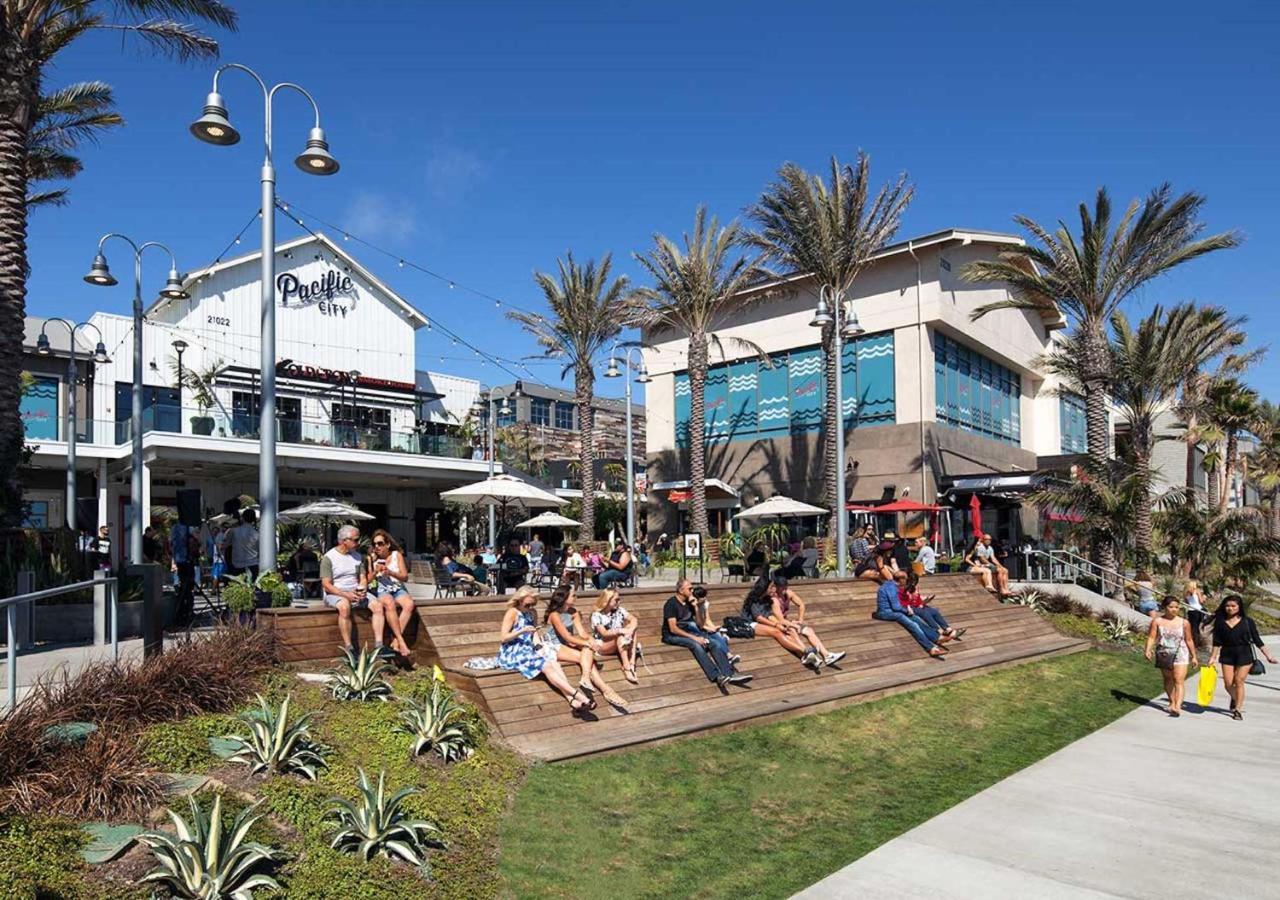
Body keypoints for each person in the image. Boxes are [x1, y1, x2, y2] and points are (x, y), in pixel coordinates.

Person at [497, 587, 593, 713]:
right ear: (519, 601)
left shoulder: (532, 613)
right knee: (547, 666)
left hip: (529, 648)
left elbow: (535, 633)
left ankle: (571, 699)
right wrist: (521, 631)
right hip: (513, 650)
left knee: (553, 661)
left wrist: (539, 647)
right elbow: (504, 638)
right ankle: (578, 695)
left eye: (533, 604)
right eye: (527, 604)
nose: (530, 607)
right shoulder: (512, 612)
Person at [543, 585, 628, 709]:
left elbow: (582, 633)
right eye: (573, 595)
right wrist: (587, 643)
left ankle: (586, 679)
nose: (576, 597)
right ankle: (606, 690)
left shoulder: (574, 612)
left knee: (587, 652)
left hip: (567, 644)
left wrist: (591, 640)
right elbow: (567, 637)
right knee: (587, 659)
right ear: (564, 597)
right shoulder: (554, 615)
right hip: (553, 645)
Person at [663, 578, 752, 689]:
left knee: (715, 643)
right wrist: (695, 638)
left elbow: (700, 625)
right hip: (672, 636)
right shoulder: (671, 604)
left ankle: (730, 674)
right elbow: (673, 629)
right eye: (689, 589)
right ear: (681, 590)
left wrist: (696, 607)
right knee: (696, 645)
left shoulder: (690, 603)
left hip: (688, 632)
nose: (692, 591)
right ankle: (717, 676)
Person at [1208, 595, 1277, 720]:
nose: (1230, 608)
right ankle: (1235, 698)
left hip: (1244, 654)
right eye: (1228, 606)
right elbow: (1217, 641)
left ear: (1239, 607)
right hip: (1227, 654)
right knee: (1228, 684)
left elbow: (1257, 640)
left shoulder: (1247, 621)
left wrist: (1268, 656)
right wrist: (1213, 657)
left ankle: (1238, 709)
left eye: (1233, 606)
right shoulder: (1220, 622)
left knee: (1239, 681)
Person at [322, 525, 377, 654]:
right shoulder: (329, 558)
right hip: (335, 593)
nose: (358, 543)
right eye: (355, 540)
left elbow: (362, 577)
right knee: (344, 607)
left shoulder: (357, 556)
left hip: (355, 592)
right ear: (343, 540)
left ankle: (379, 644)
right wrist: (345, 595)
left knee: (378, 605)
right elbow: (327, 584)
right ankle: (349, 647)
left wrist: (362, 588)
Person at [771, 574, 846, 667]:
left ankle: (827, 656)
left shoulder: (789, 593)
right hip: (777, 624)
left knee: (809, 630)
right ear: (776, 587)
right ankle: (808, 655)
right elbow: (781, 620)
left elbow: (801, 604)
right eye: (782, 588)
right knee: (792, 631)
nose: (784, 590)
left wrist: (800, 620)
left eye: (785, 587)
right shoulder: (774, 600)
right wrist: (793, 625)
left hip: (788, 623)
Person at [741, 574, 814, 667]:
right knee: (777, 632)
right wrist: (776, 625)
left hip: (762, 622)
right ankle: (804, 651)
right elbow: (759, 618)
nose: (774, 589)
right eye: (771, 587)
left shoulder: (767, 599)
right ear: (764, 588)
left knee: (789, 630)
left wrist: (782, 624)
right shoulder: (754, 599)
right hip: (749, 624)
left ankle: (805, 655)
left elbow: (769, 615)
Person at [874, 570, 949, 658]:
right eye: (906, 579)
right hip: (885, 612)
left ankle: (937, 638)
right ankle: (931, 648)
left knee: (915, 618)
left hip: (892, 611)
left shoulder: (892, 585)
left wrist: (909, 611)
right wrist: (907, 611)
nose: (907, 581)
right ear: (901, 580)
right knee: (913, 625)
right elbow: (896, 607)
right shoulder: (891, 588)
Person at [1143, 596, 1198, 717]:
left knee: (1179, 680)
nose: (1174, 609)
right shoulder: (1157, 621)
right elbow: (1152, 637)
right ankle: (1172, 701)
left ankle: (1177, 707)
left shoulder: (1184, 623)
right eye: (1171, 607)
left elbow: (1189, 640)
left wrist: (1194, 656)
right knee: (1168, 679)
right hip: (1164, 652)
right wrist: (1148, 649)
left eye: (1177, 607)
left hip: (1181, 653)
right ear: (1164, 607)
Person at [367, 529, 415, 658]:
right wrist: (375, 571)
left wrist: (391, 573)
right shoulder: (372, 559)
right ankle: (401, 640)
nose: (377, 547)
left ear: (387, 544)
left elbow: (405, 577)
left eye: (380, 543)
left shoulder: (396, 555)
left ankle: (395, 641)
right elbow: (367, 581)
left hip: (397, 587)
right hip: (382, 589)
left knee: (409, 604)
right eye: (375, 544)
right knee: (389, 603)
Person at [592, 587, 641, 684]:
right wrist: (621, 630)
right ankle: (626, 668)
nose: (619, 602)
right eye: (616, 600)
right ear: (607, 600)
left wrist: (630, 630)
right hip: (602, 645)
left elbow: (634, 619)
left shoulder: (620, 610)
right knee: (620, 635)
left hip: (620, 642)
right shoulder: (597, 615)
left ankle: (632, 663)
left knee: (632, 629)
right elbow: (604, 633)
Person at [900, 573, 966, 641]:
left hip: (917, 606)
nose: (914, 583)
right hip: (910, 607)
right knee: (925, 613)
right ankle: (938, 630)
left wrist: (923, 602)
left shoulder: (915, 588)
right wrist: (913, 605)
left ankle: (948, 629)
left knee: (934, 611)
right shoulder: (904, 589)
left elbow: (918, 598)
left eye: (915, 581)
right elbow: (905, 601)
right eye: (912, 581)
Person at [170, 519, 197, 627]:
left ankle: (182, 611)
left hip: (180, 560)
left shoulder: (174, 528)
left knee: (182, 586)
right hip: (186, 560)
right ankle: (187, 611)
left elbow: (172, 544)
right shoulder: (187, 528)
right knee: (188, 587)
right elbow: (194, 540)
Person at [228, 510, 260, 580]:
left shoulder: (233, 531)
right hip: (253, 564)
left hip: (237, 564)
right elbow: (259, 550)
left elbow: (226, 545)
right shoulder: (257, 534)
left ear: (243, 518)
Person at [1184, 580, 1207, 644]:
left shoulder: (1186, 593)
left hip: (1190, 610)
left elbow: (1187, 602)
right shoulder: (1197, 591)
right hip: (1197, 609)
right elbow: (1201, 601)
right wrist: (1204, 598)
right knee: (1196, 626)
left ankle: (1190, 638)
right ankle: (1196, 641)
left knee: (1191, 625)